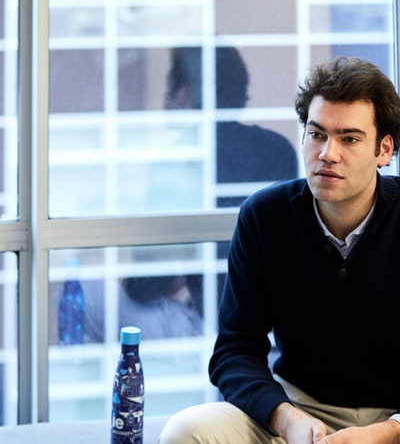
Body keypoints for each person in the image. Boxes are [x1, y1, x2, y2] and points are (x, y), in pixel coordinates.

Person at [157, 55, 400, 443]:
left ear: (384, 150)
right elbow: (234, 350)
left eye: (349, 139)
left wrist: (388, 433)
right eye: (317, 134)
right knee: (186, 431)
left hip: (395, 417)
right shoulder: (264, 216)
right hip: (298, 409)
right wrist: (284, 418)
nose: (327, 153)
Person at [165, 46, 298, 206]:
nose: (167, 96)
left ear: (182, 93)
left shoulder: (174, 161)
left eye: (170, 85)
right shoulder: (277, 149)